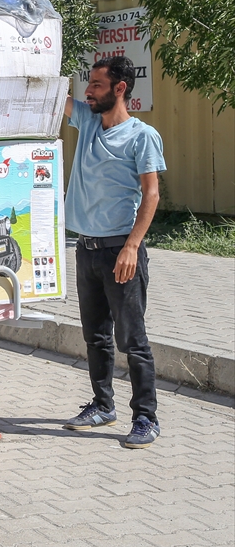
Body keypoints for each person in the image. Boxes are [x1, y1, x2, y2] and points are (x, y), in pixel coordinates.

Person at [61, 56, 165, 448]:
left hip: (120, 251)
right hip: (85, 249)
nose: (88, 91)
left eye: (97, 85)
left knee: (132, 339)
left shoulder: (141, 136)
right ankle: (103, 406)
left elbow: (152, 194)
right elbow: (56, 96)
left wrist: (132, 247)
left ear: (120, 88)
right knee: (95, 337)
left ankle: (146, 418)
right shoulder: (88, 121)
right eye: (89, 83)